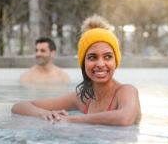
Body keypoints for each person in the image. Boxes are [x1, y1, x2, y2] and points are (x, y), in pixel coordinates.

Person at [12, 15, 141, 126]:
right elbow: (19, 106)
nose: (101, 64)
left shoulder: (126, 91)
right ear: (83, 62)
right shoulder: (82, 99)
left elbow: (125, 118)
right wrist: (45, 113)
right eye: (92, 57)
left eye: (108, 57)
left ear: (116, 61)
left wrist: (71, 119)